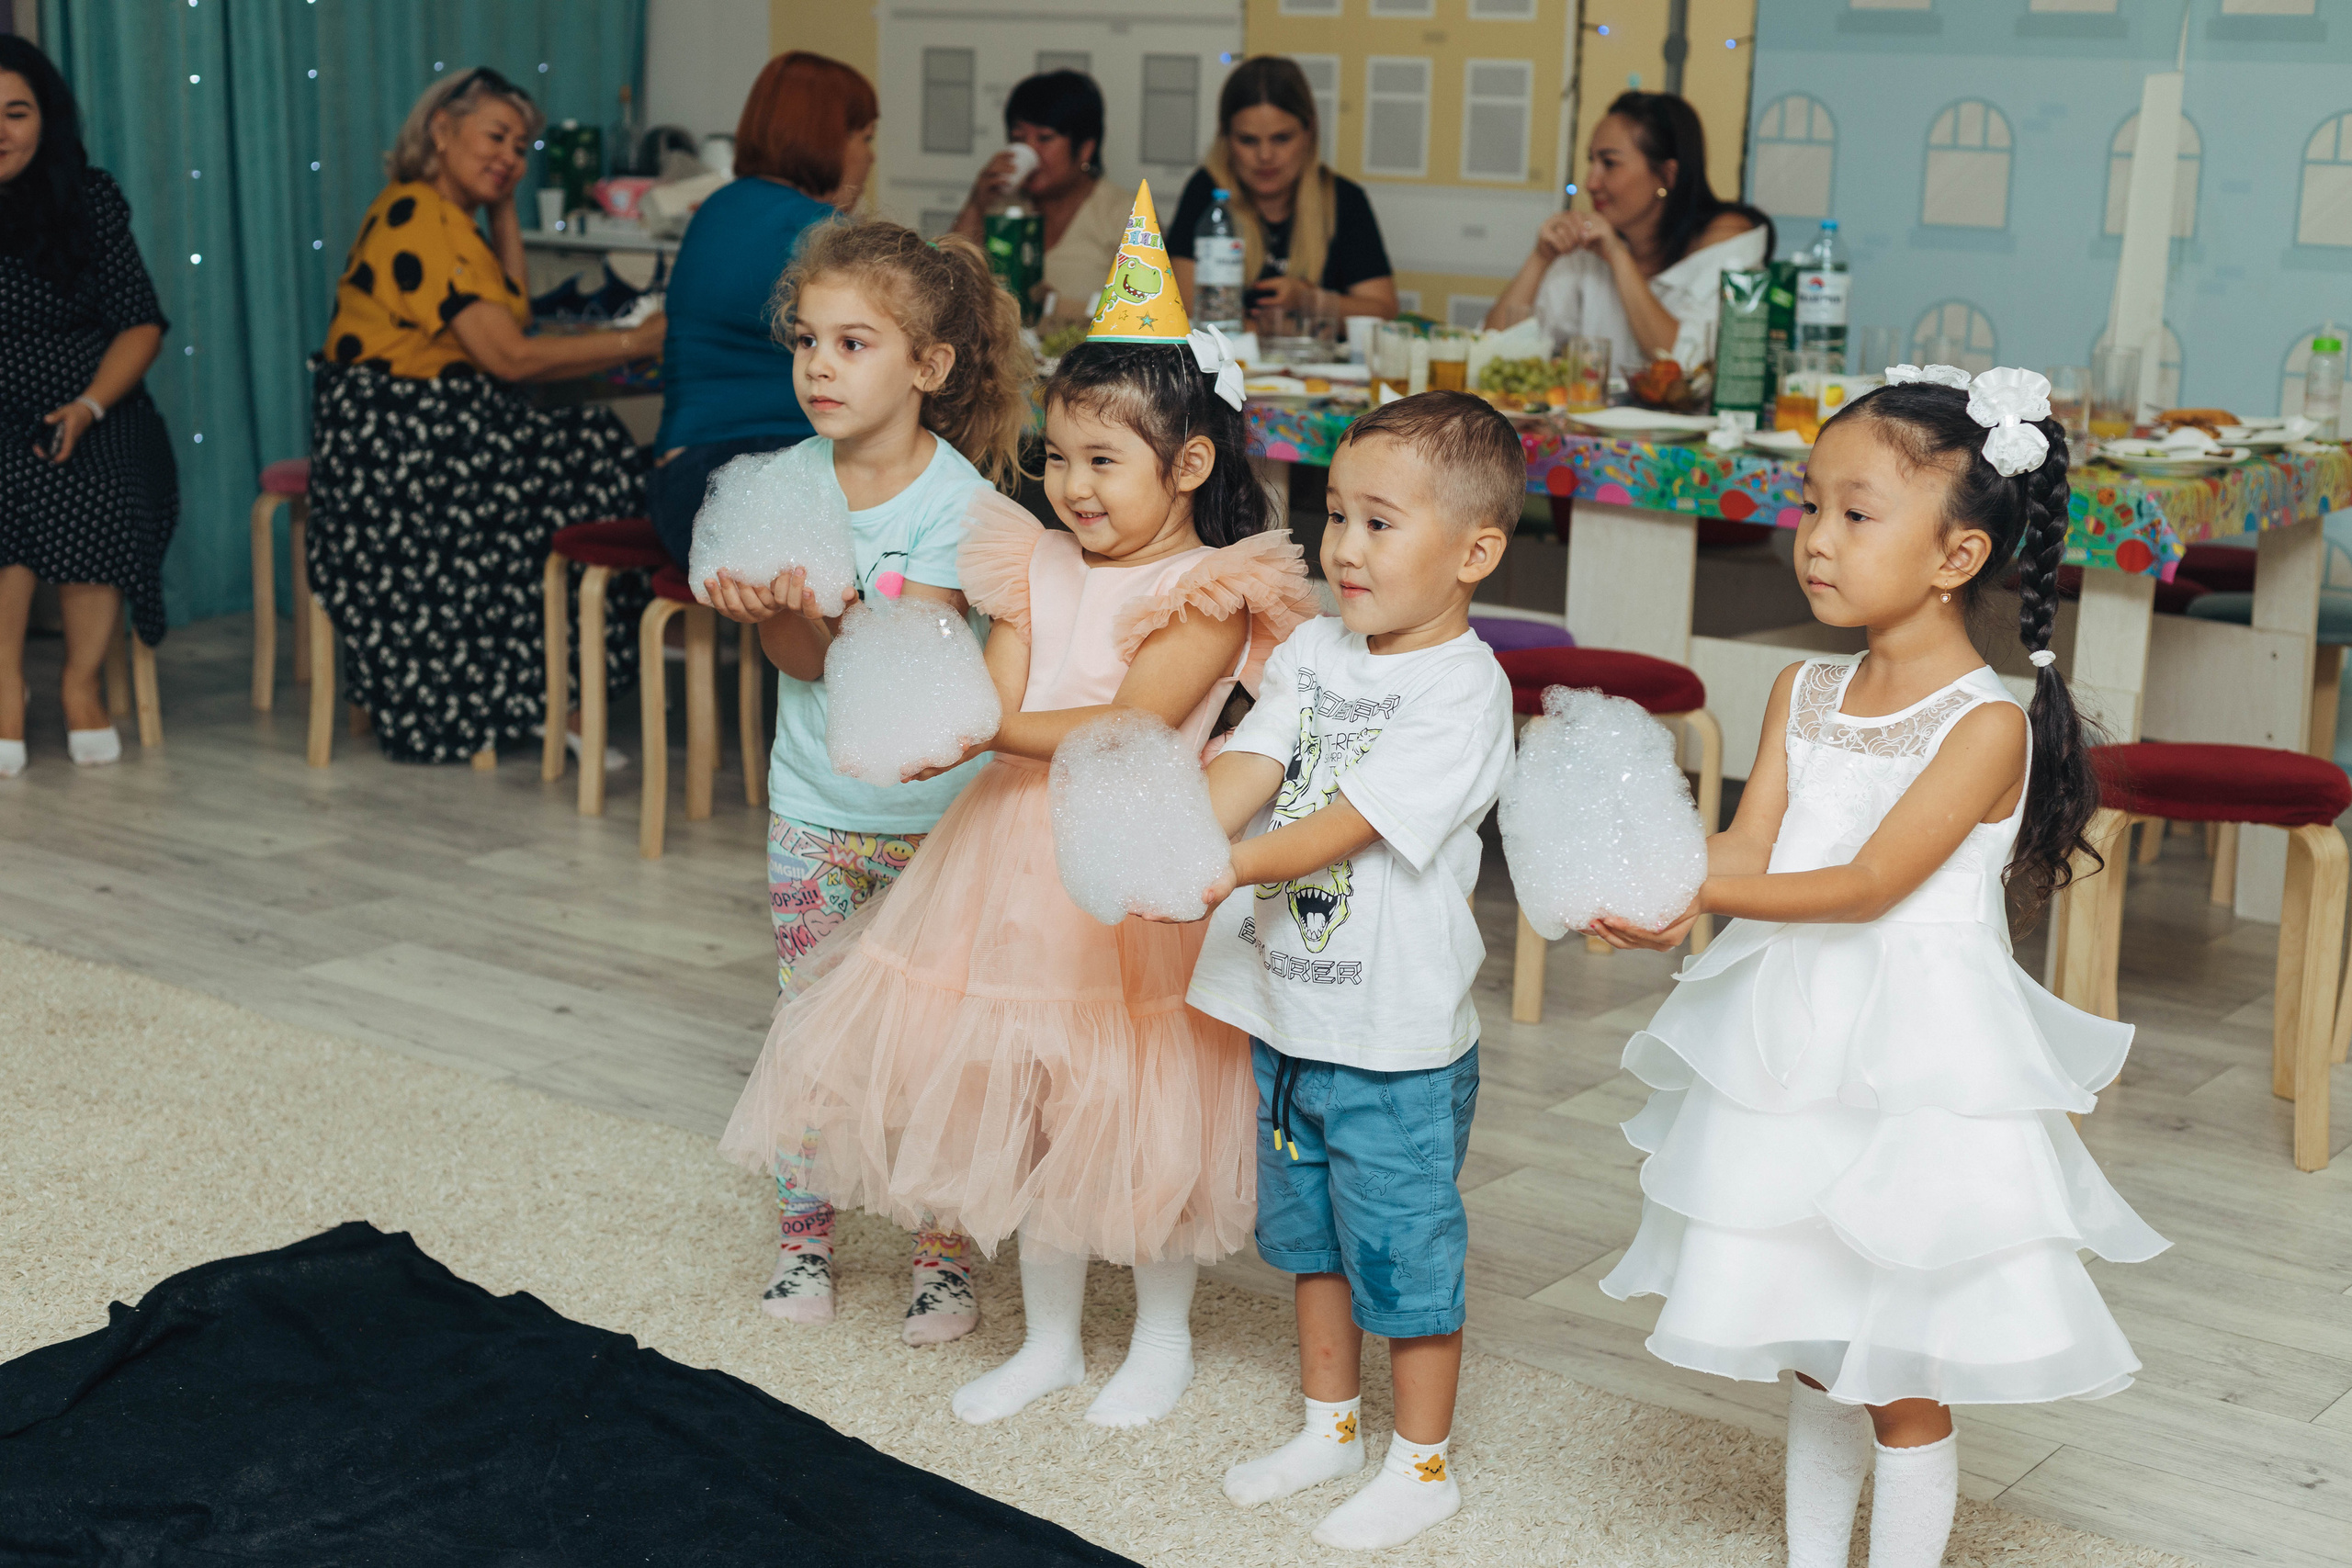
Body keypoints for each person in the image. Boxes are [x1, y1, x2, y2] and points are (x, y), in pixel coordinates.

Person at [718, 186, 1317, 1427]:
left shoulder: (1211, 588)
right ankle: (1047, 1334)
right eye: (1056, 455)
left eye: (1105, 461)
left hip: (1126, 866)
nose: (1073, 485)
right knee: (1029, 1101)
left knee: (1134, 1098)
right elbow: (996, 679)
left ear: (1190, 463)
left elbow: (1124, 726)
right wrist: (937, 708)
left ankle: (1158, 1337)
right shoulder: (1028, 558)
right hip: (1002, 860)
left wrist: (969, 723)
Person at [1587, 367, 2166, 1568]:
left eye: (1857, 513)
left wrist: (1697, 888)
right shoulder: (1804, 689)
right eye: (1811, 507)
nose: (1815, 539)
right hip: (1791, 1048)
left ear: (1957, 554)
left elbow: (1867, 884)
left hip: (1916, 1069)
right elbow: (1755, 847)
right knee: (1810, 1334)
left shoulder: (1986, 722)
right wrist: (1657, 887)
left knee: (1900, 1365)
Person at [1184, 391, 1517, 1551]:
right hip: (1290, 1013)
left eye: (1380, 523)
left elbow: (1348, 825)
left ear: (1474, 552)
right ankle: (1330, 1425)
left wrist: (1222, 868)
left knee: (1404, 1254)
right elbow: (1257, 759)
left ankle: (1421, 1464)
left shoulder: (1464, 690)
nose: (1343, 547)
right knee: (1311, 1240)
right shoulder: (1318, 649)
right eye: (1335, 515)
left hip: (1393, 1042)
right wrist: (1178, 832)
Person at [699, 217, 1031, 1343]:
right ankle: (805, 1240)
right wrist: (783, 612)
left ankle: (943, 1257)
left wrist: (830, 610)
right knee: (814, 1029)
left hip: (940, 824)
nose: (820, 368)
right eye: (806, 342)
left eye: (854, 344)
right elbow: (804, 667)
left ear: (928, 368)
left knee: (942, 1045)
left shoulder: (966, 509)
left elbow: (924, 673)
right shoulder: (777, 483)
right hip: (816, 812)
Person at [308, 67, 667, 765]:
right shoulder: (417, 213)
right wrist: (638, 340)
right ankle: (575, 681)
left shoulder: (450, 219)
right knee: (596, 450)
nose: (511, 156)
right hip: (398, 445)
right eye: (496, 137)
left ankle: (557, 686)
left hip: (428, 432)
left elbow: (512, 314)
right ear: (441, 129)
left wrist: (503, 209)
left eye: (523, 146)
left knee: (583, 451)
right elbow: (508, 355)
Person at [0, 37, 174, 778]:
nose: (0, 131)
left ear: (47, 119)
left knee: (94, 484)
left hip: (95, 401)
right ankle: (2, 689)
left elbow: (140, 322)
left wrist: (90, 405)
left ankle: (81, 682)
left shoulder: (89, 197)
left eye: (16, 112)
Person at [648, 51, 874, 570]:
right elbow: (933, 298)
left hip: (679, 484)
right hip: (736, 485)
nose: (870, 157)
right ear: (827, 139)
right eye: (864, 138)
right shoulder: (815, 233)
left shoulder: (719, 207)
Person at [1486, 90, 1772, 378]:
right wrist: (1540, 258)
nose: (1590, 182)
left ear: (1667, 176)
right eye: (1591, 161)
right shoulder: (1591, 245)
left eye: (1609, 163)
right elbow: (1491, 357)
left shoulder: (1729, 244)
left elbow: (1688, 370)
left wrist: (1618, 258)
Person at [1168, 56, 1396, 330]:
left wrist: (1309, 300)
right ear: (1226, 138)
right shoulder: (1206, 192)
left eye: (1281, 138)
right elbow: (1182, 307)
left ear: (1309, 131)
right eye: (1248, 140)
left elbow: (1382, 312)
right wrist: (1283, 330)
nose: (1265, 156)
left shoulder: (1344, 199)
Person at [947, 69, 1128, 330]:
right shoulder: (1000, 207)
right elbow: (945, 286)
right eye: (1019, 139)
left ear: (1086, 148)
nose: (1029, 150)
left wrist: (1058, 306)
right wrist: (976, 204)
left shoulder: (1122, 212)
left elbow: (1143, 312)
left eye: (1045, 138)